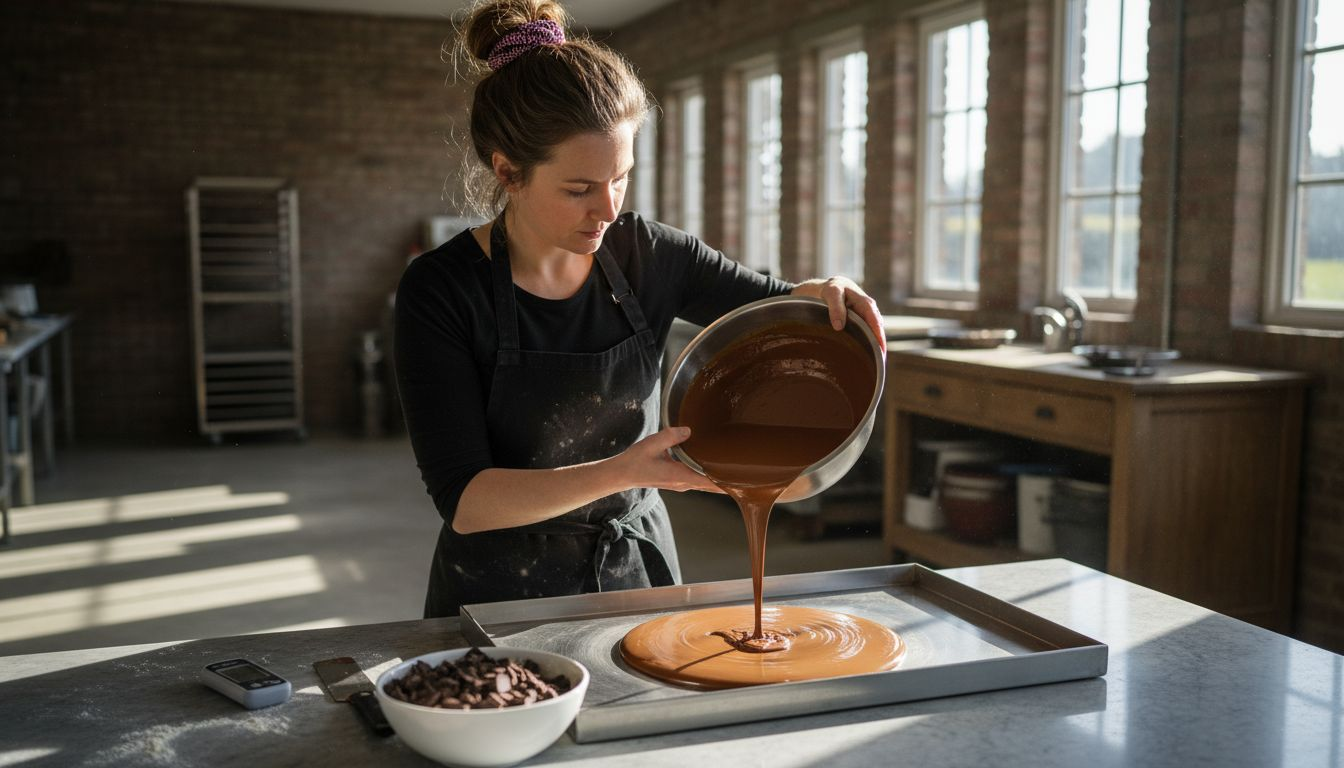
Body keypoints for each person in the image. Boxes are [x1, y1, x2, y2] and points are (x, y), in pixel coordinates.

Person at [395, 0, 887, 618]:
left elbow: (784, 307)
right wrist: (624, 471)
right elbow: (465, 500)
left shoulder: (651, 254)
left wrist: (828, 287)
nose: (606, 210)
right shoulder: (441, 290)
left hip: (638, 570)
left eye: (620, 178)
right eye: (578, 189)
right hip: (500, 596)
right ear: (508, 171)